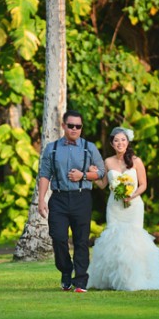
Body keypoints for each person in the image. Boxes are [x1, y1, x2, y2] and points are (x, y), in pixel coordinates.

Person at [87, 127, 159, 291]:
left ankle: (135, 279)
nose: (120, 143)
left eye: (123, 140)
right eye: (116, 141)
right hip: (114, 206)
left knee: (134, 241)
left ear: (127, 142)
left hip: (133, 206)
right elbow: (103, 184)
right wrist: (92, 175)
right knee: (115, 240)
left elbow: (143, 185)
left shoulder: (136, 161)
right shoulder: (108, 162)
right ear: (112, 143)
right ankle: (113, 279)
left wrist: (132, 195)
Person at [37, 110, 105, 293]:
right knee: (58, 237)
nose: (75, 129)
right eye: (71, 125)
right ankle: (66, 272)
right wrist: (41, 200)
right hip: (58, 198)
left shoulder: (89, 147)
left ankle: (81, 281)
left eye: (78, 126)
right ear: (64, 126)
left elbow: (101, 172)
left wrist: (83, 175)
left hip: (81, 197)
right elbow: (44, 175)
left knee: (81, 241)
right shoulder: (51, 149)